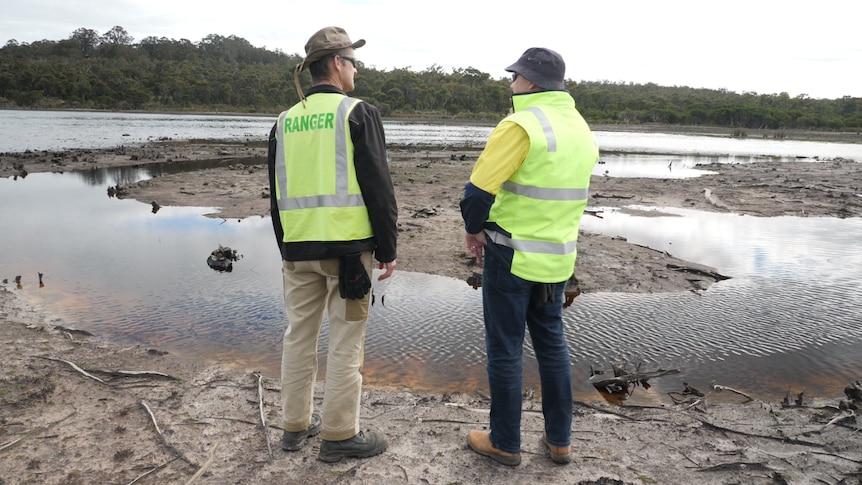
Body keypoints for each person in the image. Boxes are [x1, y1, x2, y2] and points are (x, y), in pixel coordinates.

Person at [459, 47, 599, 466]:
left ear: (532, 83)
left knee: (505, 350)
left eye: (516, 76)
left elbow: (477, 193)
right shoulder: (580, 127)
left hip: (510, 256)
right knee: (552, 346)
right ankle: (560, 441)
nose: (511, 83)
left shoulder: (520, 124)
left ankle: (504, 442)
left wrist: (472, 231)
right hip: (557, 259)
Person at [267, 26, 397, 463]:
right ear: (337, 64)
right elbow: (379, 187)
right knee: (346, 342)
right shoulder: (359, 113)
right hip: (348, 255)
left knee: (297, 338)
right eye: (353, 62)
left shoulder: (284, 121)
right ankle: (340, 436)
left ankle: (294, 425)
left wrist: (286, 246)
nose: (357, 69)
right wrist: (388, 248)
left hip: (298, 249)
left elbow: (276, 193)